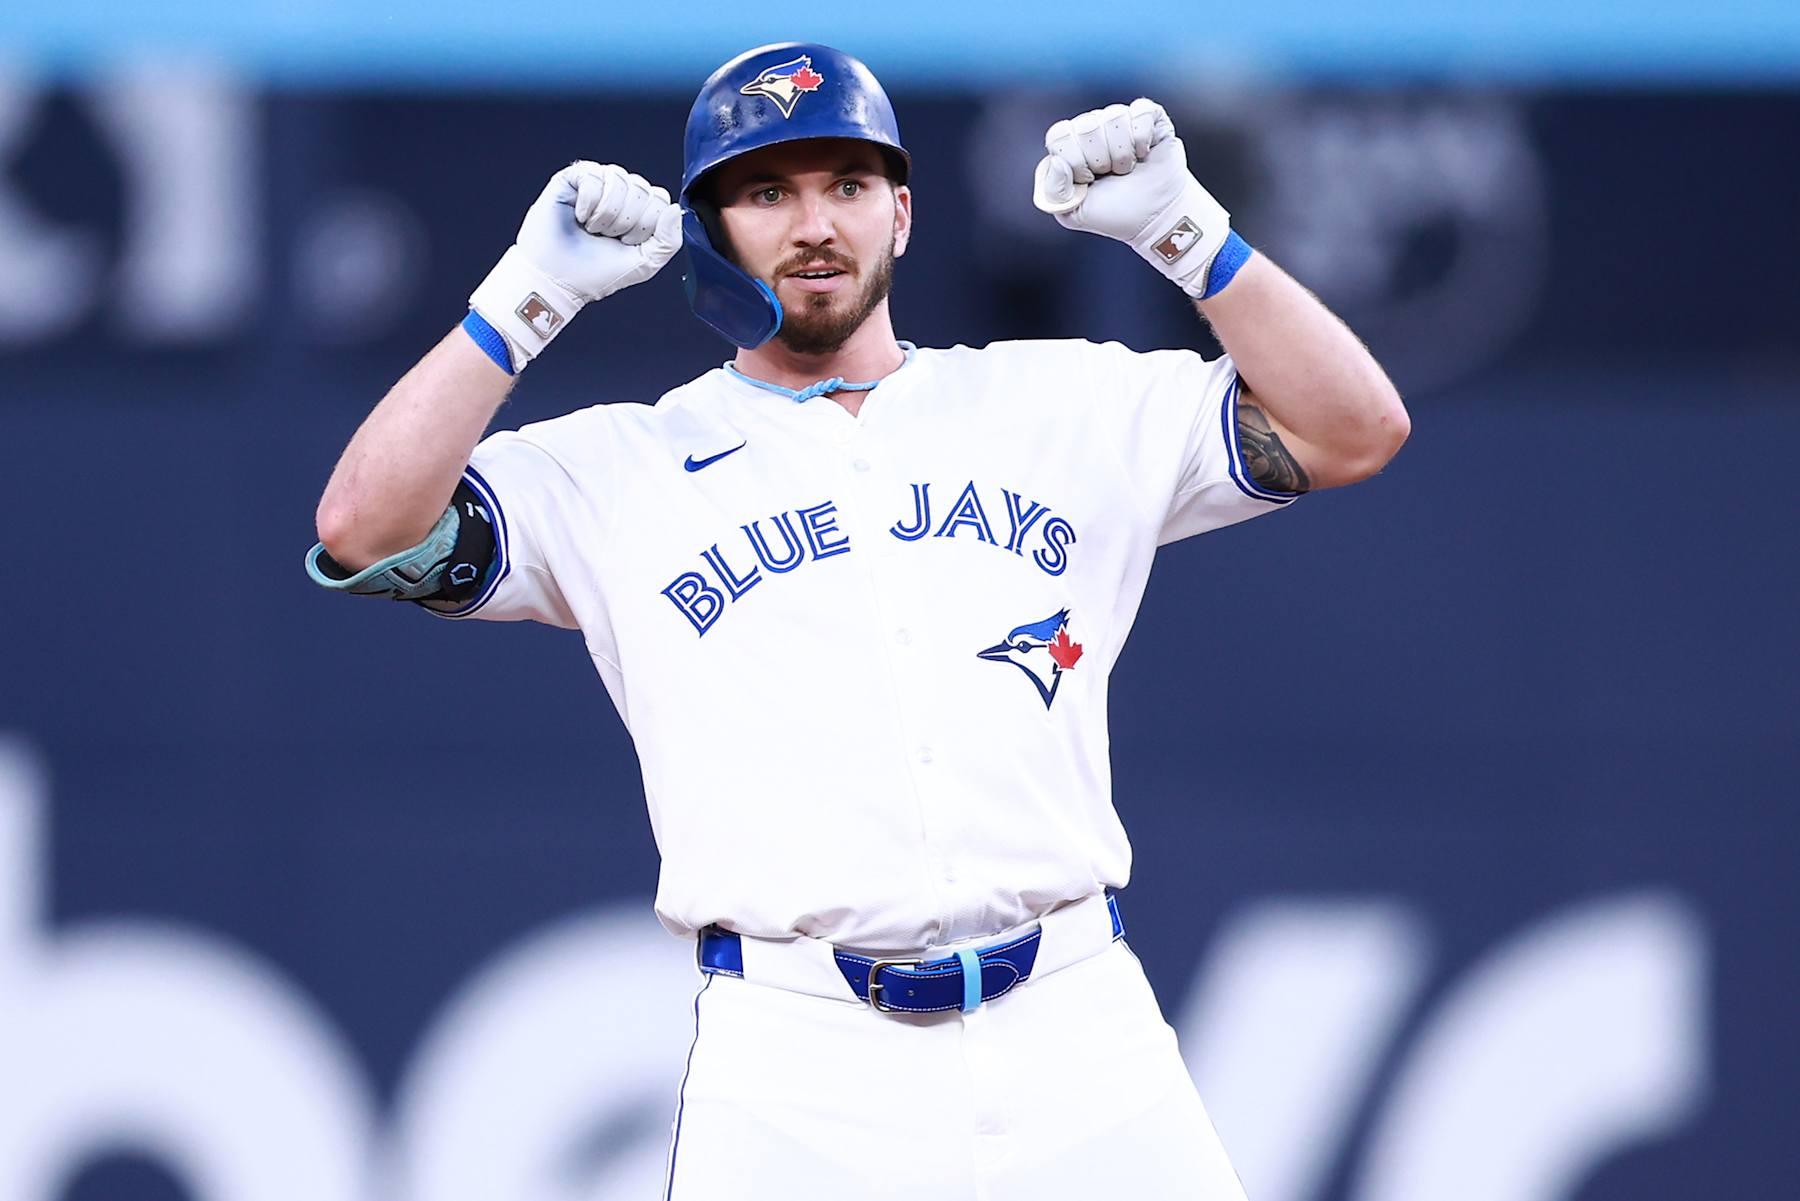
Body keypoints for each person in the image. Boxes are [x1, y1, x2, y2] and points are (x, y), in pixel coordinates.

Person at [308, 42, 1407, 1201]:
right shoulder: (621, 468)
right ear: (709, 230)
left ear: (903, 211)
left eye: (846, 182)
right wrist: (521, 303)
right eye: (766, 191)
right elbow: (365, 528)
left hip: (1079, 1029)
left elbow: (1354, 429)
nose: (813, 222)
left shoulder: (1059, 400)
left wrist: (1187, 230)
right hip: (798, 1060)